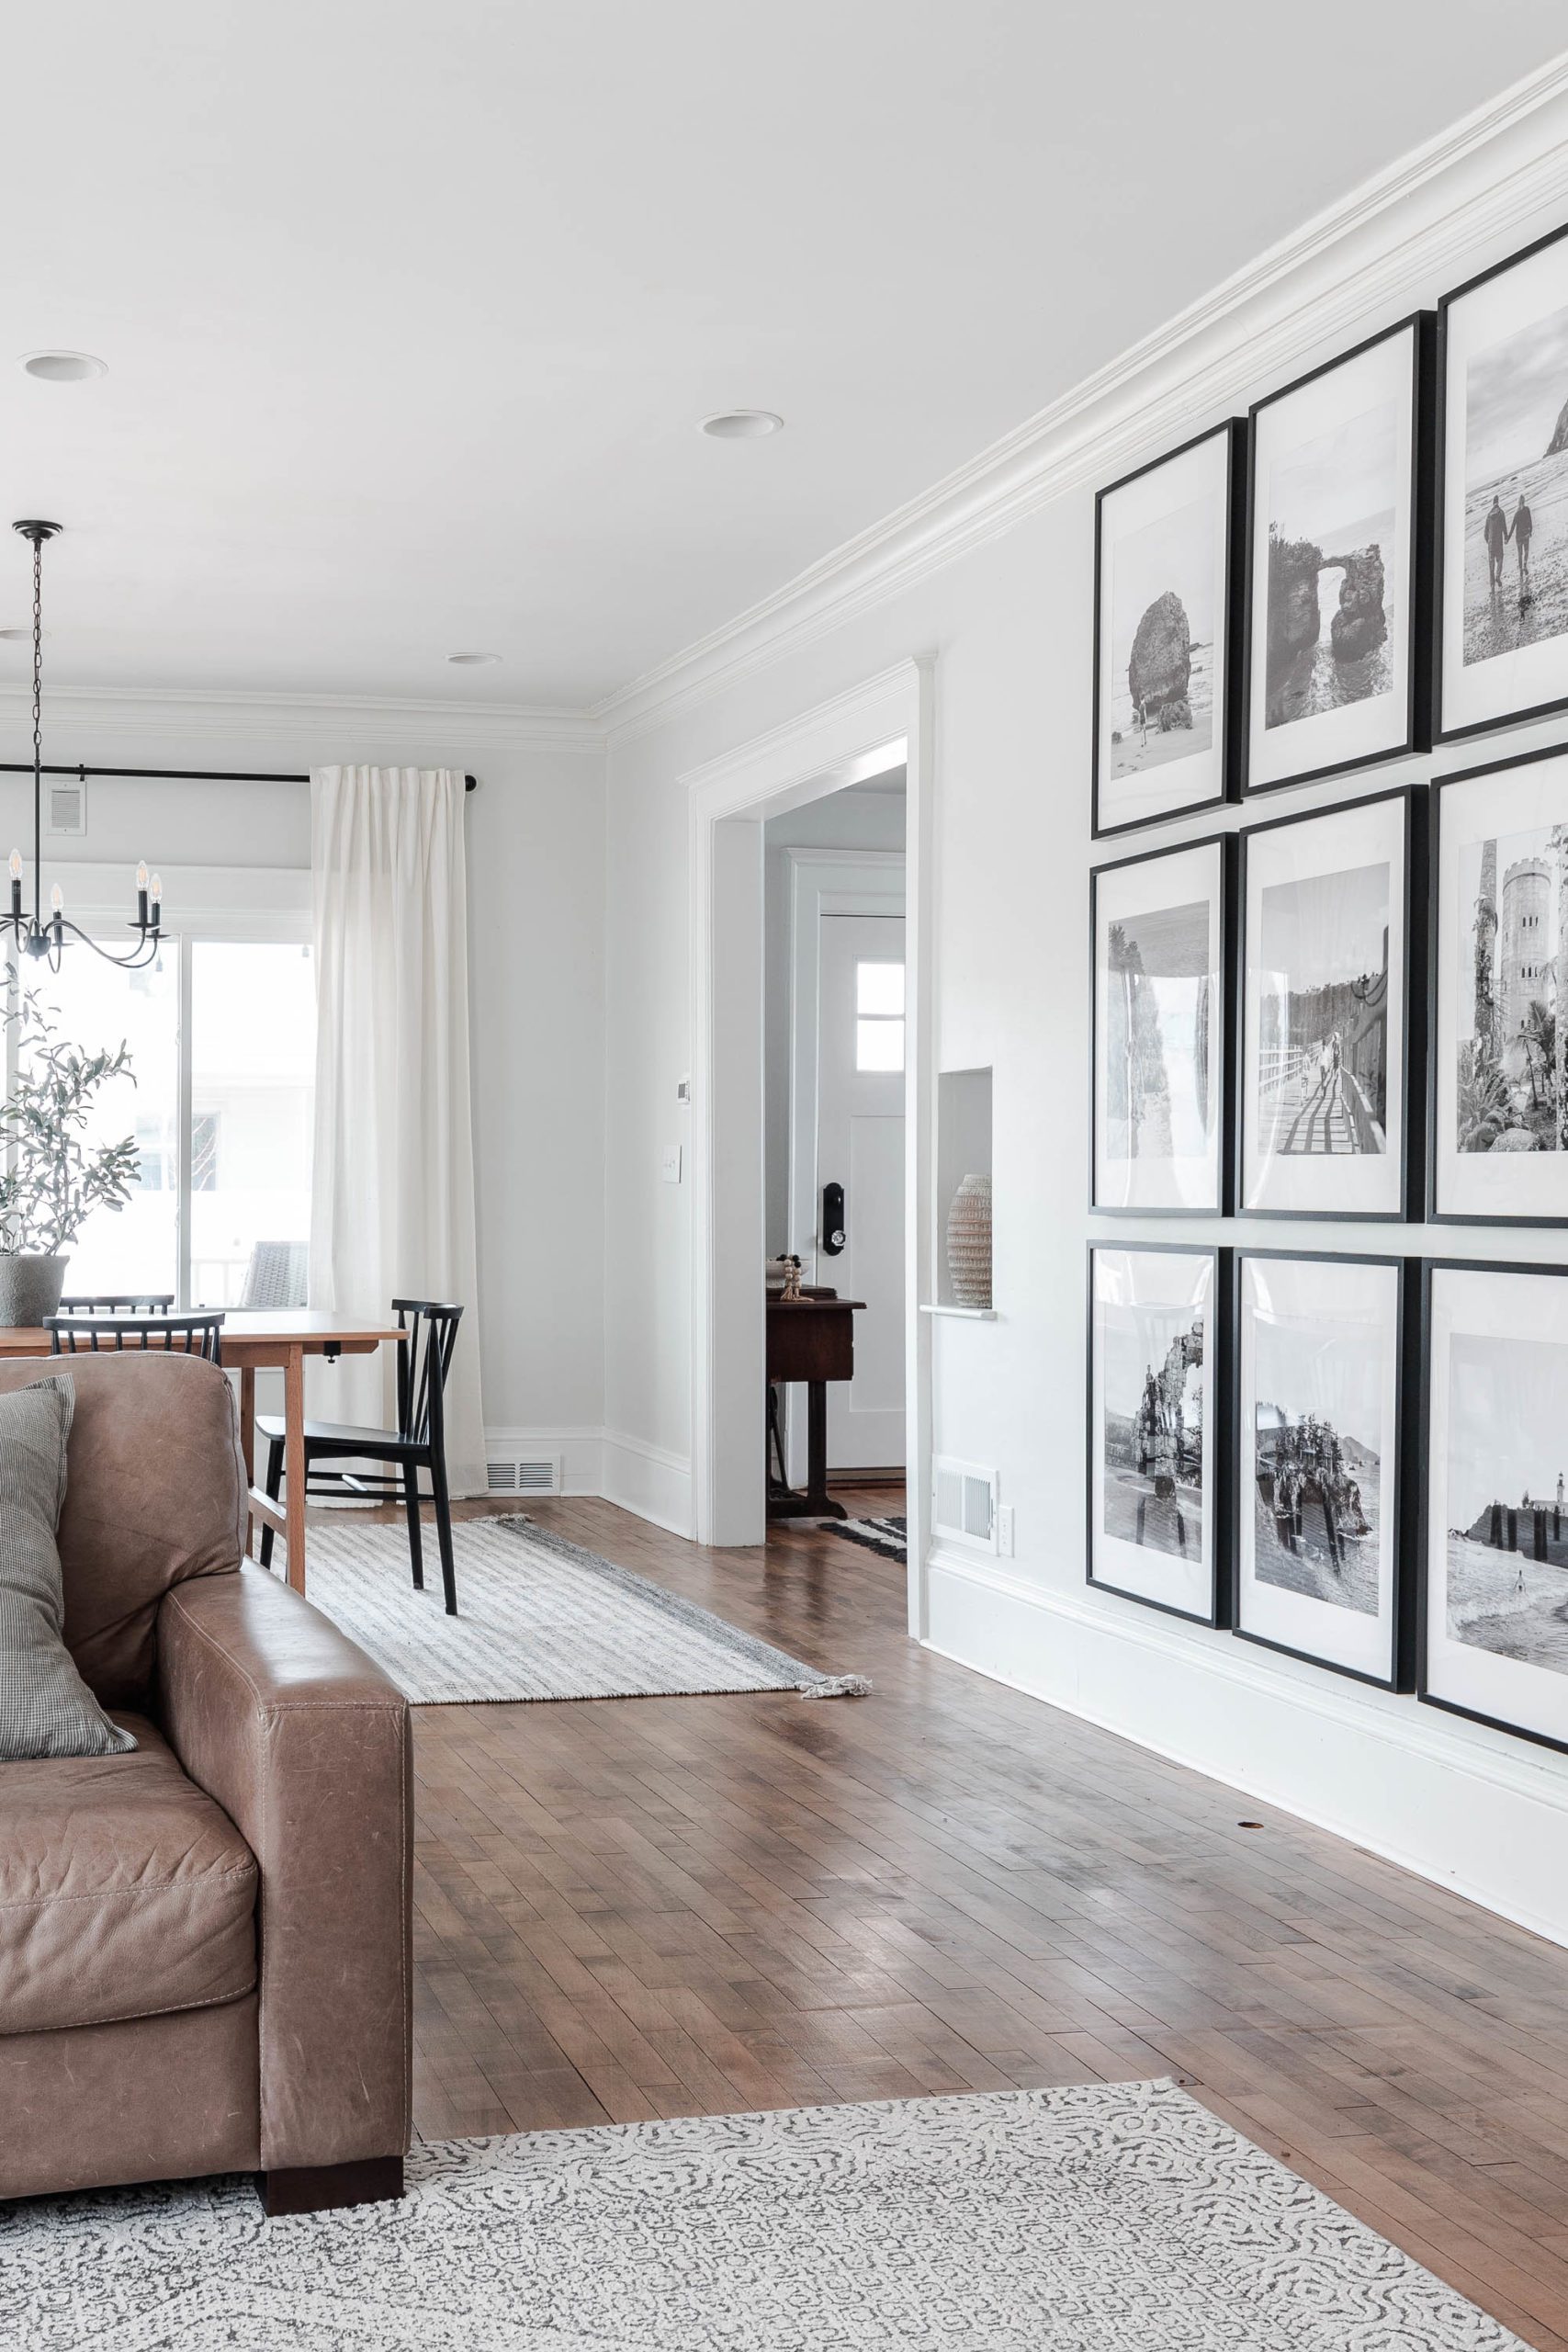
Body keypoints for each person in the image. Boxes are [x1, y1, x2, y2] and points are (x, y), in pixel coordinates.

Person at [1484, 494, 1509, 590]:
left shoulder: (1488, 515)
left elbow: (1485, 533)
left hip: (1491, 544)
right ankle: (1498, 576)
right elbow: (1504, 527)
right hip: (1498, 542)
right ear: (1498, 502)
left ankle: (1492, 585)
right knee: (1500, 559)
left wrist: (1489, 541)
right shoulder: (1501, 513)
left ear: (1492, 503)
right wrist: (1506, 537)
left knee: (1491, 565)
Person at [1513, 492, 1533, 591]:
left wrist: (1507, 537)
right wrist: (1530, 531)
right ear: (1524, 501)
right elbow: (1530, 521)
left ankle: (1521, 570)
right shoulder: (1527, 509)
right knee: (1526, 552)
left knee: (1519, 554)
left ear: (1518, 502)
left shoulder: (1517, 513)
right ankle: (1525, 565)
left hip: (1518, 537)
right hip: (1525, 535)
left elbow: (1513, 526)